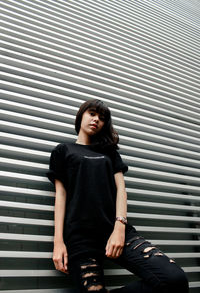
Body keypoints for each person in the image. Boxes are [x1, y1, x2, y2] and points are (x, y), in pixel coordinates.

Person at [46, 99, 189, 293]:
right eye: (92, 113)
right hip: (80, 238)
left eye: (102, 118)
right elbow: (60, 196)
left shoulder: (109, 152)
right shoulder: (63, 150)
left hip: (115, 229)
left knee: (175, 280)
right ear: (81, 116)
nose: (97, 119)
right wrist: (58, 243)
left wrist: (119, 227)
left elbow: (121, 189)